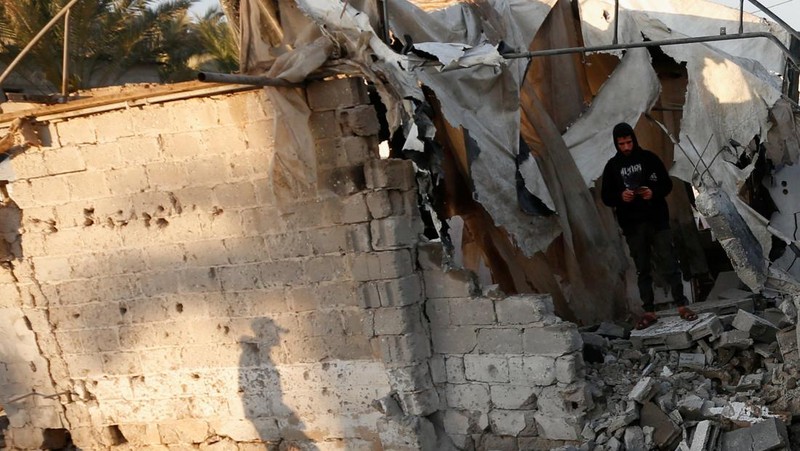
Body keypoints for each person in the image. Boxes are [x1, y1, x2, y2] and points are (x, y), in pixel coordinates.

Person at [601, 122, 696, 329]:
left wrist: (652, 192)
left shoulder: (649, 159)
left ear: (634, 140)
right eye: (621, 144)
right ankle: (649, 310)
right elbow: (606, 196)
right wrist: (620, 196)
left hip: (657, 221)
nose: (626, 147)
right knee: (642, 269)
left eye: (628, 142)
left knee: (670, 263)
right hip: (633, 226)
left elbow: (666, 184)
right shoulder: (612, 167)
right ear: (616, 144)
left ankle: (681, 305)